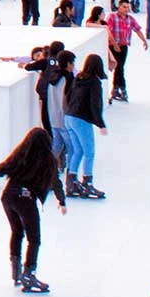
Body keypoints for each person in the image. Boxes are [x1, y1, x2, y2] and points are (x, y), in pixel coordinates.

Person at [0, 126, 65, 294]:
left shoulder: (20, 155)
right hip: (26, 199)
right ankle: (29, 273)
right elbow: (56, 182)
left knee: (17, 232)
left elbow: (2, 169)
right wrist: (62, 201)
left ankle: (16, 271)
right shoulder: (49, 160)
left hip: (8, 197)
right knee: (34, 239)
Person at [63, 54, 110, 200]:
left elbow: (69, 97)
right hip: (81, 120)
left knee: (77, 150)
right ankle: (87, 182)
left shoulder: (78, 78)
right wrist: (101, 123)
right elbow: (95, 105)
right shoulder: (94, 82)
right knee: (89, 152)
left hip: (69, 117)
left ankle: (71, 182)